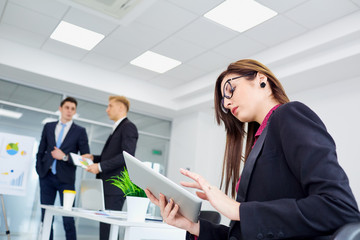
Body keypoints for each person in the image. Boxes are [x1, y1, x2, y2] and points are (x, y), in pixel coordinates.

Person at [145, 59, 360, 239]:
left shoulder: (290, 115)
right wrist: (193, 226)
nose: (227, 104)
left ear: (261, 79)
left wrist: (238, 210)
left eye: (230, 89)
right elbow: (245, 233)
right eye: (223, 102)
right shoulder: (259, 141)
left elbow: (339, 207)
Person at [82, 95, 138, 240]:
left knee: (110, 228)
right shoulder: (118, 128)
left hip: (115, 187)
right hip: (108, 186)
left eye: (110, 106)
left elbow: (126, 156)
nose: (107, 110)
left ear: (121, 107)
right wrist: (94, 158)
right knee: (106, 227)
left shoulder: (128, 127)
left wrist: (99, 167)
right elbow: (113, 155)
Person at [36, 97, 90, 240]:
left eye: (73, 109)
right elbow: (41, 151)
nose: (69, 111)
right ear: (60, 108)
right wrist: (39, 170)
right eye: (67, 107)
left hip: (66, 180)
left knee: (68, 218)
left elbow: (86, 159)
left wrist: (65, 157)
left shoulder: (80, 131)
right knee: (46, 216)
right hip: (46, 177)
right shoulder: (48, 126)